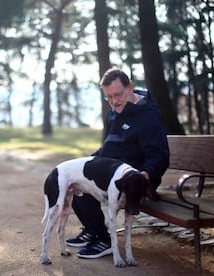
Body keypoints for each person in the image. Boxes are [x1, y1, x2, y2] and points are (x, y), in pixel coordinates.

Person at [66, 67, 170, 259]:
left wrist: (147, 173)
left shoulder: (148, 116)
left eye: (118, 95)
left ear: (129, 87)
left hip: (137, 177)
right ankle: (92, 230)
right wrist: (88, 161)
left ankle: (103, 239)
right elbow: (107, 147)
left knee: (87, 185)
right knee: (75, 176)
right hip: (111, 170)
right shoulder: (113, 113)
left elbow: (159, 155)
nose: (114, 101)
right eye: (108, 97)